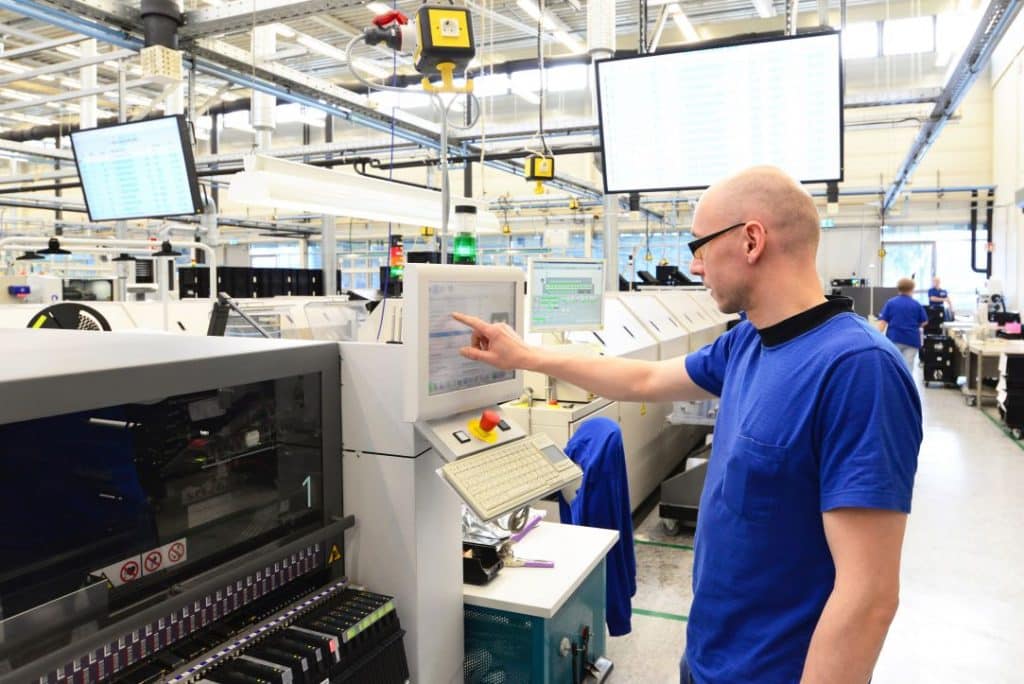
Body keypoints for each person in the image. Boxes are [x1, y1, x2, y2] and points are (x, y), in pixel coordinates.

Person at [452, 166, 921, 684]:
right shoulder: (748, 342)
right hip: (708, 661)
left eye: (700, 245)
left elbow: (869, 596)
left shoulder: (857, 369)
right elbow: (647, 377)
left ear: (750, 240)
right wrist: (526, 356)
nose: (694, 266)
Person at [877, 278, 928, 371]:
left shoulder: (891, 303)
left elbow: (882, 322)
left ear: (899, 288)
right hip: (911, 340)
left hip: (894, 338)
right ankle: (907, 385)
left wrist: (876, 337)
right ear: (912, 289)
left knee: (894, 366)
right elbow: (924, 321)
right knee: (908, 366)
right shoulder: (916, 304)